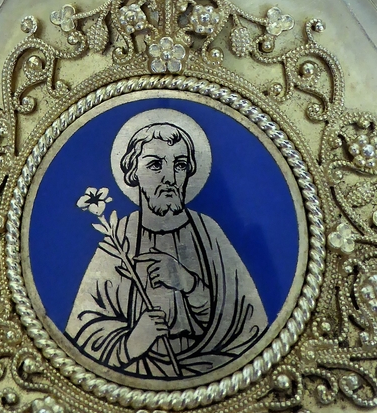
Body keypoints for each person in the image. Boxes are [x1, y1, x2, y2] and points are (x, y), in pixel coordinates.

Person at [65, 118, 268, 378]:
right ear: (134, 173)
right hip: (133, 373)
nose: (170, 178)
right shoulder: (118, 238)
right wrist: (132, 342)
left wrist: (189, 284)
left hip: (213, 369)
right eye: (155, 165)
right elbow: (85, 326)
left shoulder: (208, 232)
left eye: (180, 165)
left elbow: (244, 317)